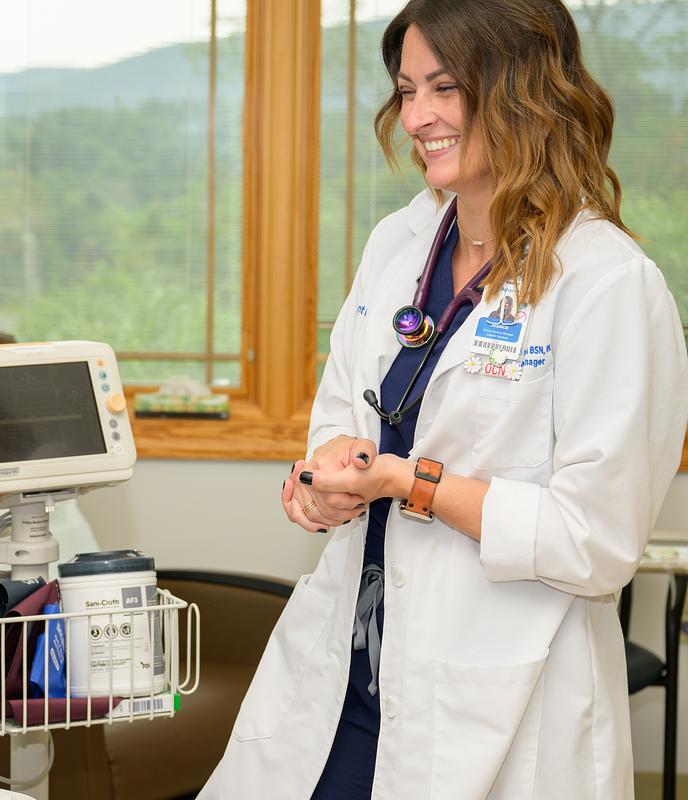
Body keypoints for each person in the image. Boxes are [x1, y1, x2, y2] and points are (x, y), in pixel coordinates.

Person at [201, 1, 688, 798]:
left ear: (524, 90)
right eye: (406, 90)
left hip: (496, 700)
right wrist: (324, 478)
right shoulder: (398, 241)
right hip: (348, 678)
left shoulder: (608, 283)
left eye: (445, 88)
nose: (418, 116)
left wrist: (409, 484)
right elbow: (342, 416)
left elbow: (596, 543)